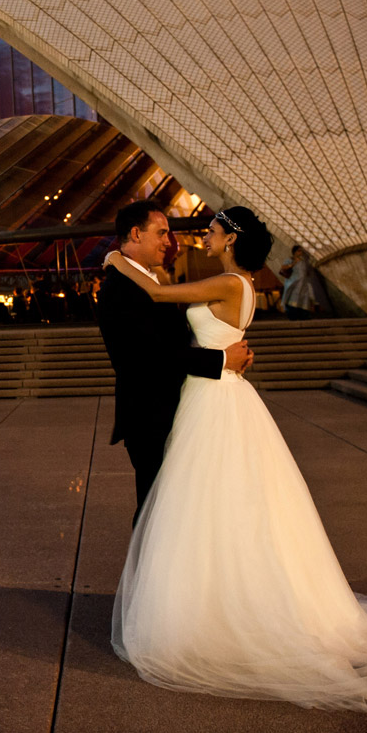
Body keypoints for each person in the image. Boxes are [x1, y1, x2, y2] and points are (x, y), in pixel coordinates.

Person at [105, 206, 367, 711]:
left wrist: (112, 258)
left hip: (211, 401)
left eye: (212, 230)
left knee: (197, 508)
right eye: (163, 232)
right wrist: (221, 356)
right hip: (204, 397)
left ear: (232, 239)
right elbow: (152, 343)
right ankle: (195, 606)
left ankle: (199, 613)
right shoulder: (231, 283)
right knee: (203, 510)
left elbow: (157, 299)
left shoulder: (224, 282)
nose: (192, 238)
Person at [97, 200, 252, 524]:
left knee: (177, 508)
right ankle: (149, 573)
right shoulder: (119, 287)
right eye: (162, 233)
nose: (169, 241)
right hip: (150, 415)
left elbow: (174, 337)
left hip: (183, 408)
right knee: (158, 511)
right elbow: (147, 356)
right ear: (136, 234)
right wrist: (222, 357)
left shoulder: (150, 279)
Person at [279, 244, 317, 320]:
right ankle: (293, 315)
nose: (301, 253)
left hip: (303, 284)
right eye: (299, 251)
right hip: (293, 284)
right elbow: (283, 267)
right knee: (292, 300)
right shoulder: (290, 260)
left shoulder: (304, 261)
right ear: (295, 252)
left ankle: (304, 315)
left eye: (301, 251)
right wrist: (293, 263)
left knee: (304, 299)